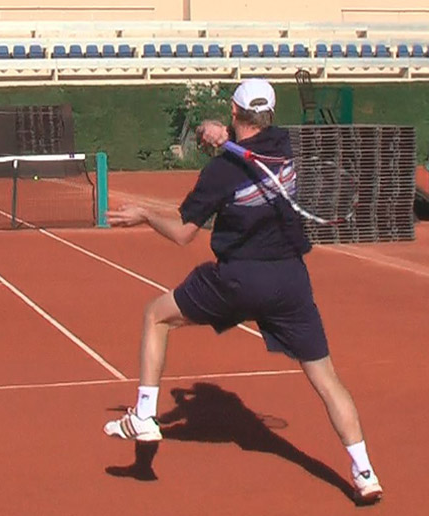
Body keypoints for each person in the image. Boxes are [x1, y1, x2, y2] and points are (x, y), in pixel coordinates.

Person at [104, 78, 383, 504]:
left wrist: (144, 215)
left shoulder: (220, 173)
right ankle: (364, 472)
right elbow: (250, 140)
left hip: (238, 280)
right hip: (291, 283)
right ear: (268, 115)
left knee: (156, 316)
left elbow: (182, 233)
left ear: (235, 112)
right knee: (327, 379)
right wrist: (222, 134)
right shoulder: (285, 146)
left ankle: (144, 414)